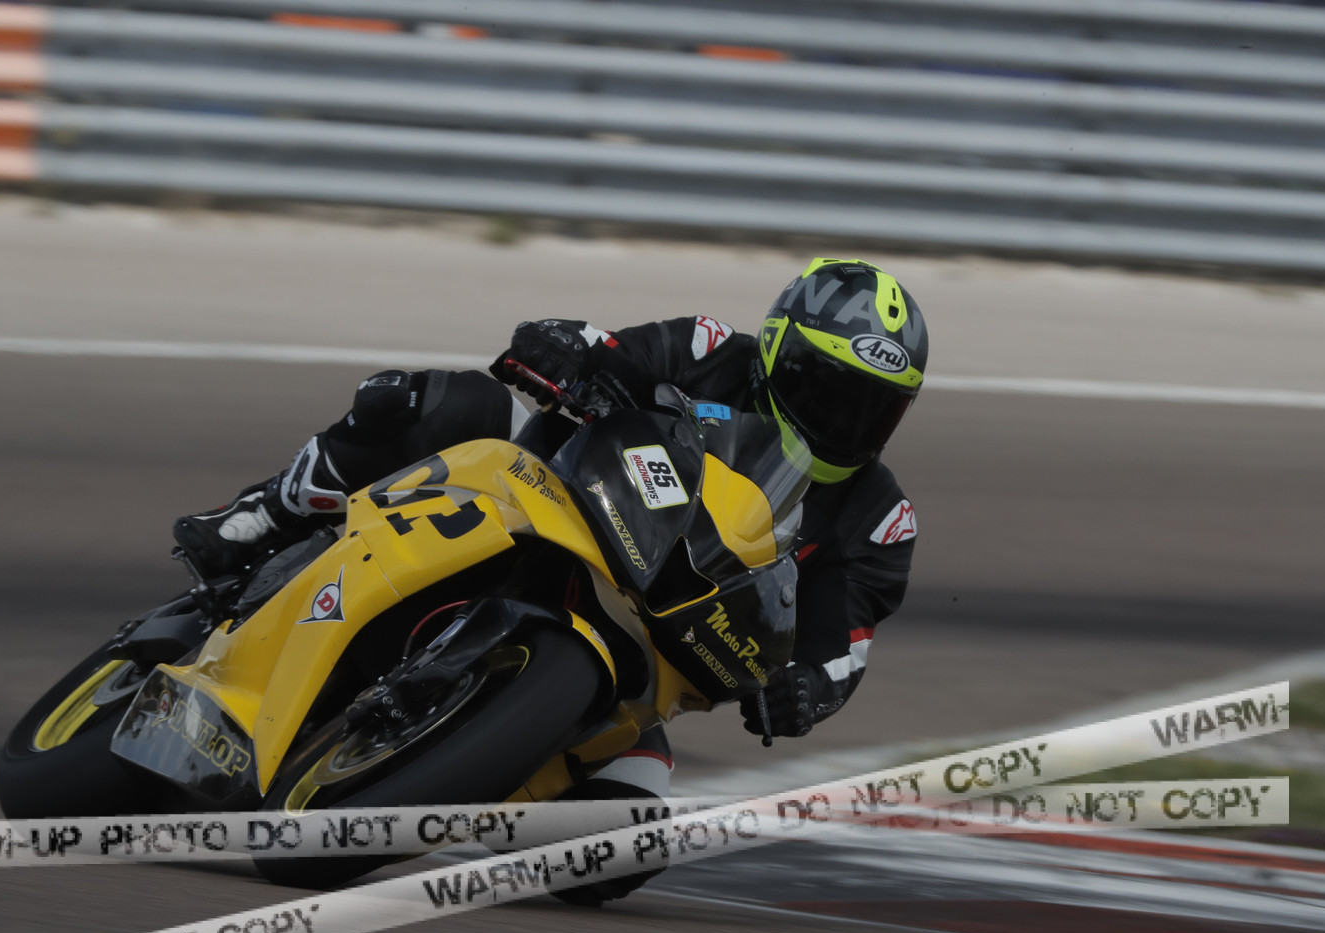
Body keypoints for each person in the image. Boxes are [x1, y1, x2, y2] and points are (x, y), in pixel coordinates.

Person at [174, 257, 927, 896]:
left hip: (649, 653)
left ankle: (470, 771)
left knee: (622, 849)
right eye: (828, 388)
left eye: (874, 409)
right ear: (777, 352)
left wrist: (808, 688)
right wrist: (564, 351)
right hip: (536, 503)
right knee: (445, 402)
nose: (843, 420)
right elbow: (607, 350)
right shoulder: (708, 349)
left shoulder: (878, 517)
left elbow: (842, 639)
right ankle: (262, 514)